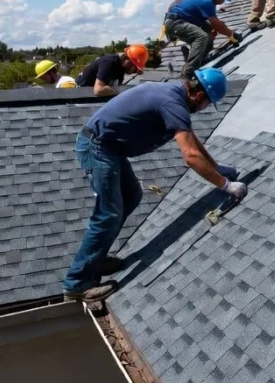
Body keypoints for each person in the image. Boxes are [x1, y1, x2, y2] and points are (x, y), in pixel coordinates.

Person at [62, 68, 247, 301]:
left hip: (108, 146)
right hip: (97, 146)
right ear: (199, 96)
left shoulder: (174, 95)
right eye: (208, 104)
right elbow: (190, 156)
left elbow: (192, 141)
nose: (205, 109)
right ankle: (77, 283)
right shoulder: (173, 103)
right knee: (108, 213)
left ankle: (96, 259)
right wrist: (226, 186)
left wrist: (216, 167)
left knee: (131, 196)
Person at [164, 0, 240, 78]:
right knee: (202, 37)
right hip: (175, 23)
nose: (223, 0)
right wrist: (232, 35)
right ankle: (186, 74)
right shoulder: (207, 2)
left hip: (180, 21)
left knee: (209, 30)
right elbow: (218, 26)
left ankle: (197, 59)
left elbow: (215, 24)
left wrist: (221, 29)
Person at [76, 45, 150, 97]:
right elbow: (98, 90)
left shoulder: (121, 66)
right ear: (126, 59)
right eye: (134, 66)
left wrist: (137, 70)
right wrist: (123, 91)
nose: (133, 69)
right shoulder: (109, 63)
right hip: (81, 94)